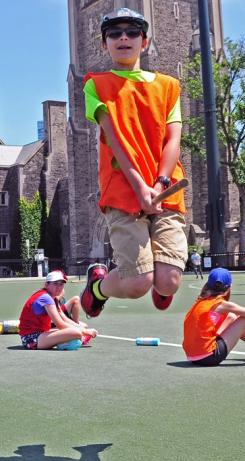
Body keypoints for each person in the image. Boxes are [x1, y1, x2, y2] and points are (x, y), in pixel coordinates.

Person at [79, 8, 187, 318]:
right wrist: (141, 187)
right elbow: (114, 140)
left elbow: (173, 139)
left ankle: (160, 280)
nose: (123, 37)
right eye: (114, 33)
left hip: (165, 190)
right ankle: (97, 287)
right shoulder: (95, 85)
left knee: (169, 282)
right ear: (104, 44)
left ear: (145, 41)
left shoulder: (169, 86)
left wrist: (160, 183)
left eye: (132, 32)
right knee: (139, 283)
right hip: (124, 192)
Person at [18, 270, 98, 350]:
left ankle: (70, 339)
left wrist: (82, 329)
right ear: (47, 285)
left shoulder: (52, 298)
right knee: (76, 332)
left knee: (80, 328)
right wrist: (85, 332)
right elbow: (60, 324)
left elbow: (64, 319)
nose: (59, 287)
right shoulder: (46, 298)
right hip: (31, 340)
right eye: (55, 283)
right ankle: (68, 342)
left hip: (40, 334)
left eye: (61, 284)